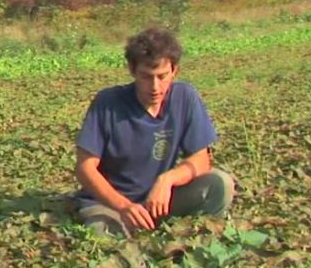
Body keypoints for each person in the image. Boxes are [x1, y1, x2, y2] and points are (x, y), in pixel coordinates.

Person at [73, 26, 234, 237]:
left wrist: (167, 180)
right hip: (110, 204)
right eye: (146, 77)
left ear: (175, 71)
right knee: (102, 233)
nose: (155, 87)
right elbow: (85, 169)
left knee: (220, 184)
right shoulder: (108, 103)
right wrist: (124, 206)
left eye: (162, 76)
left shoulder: (185, 97)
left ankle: (194, 236)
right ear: (132, 70)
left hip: (158, 200)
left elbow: (201, 160)